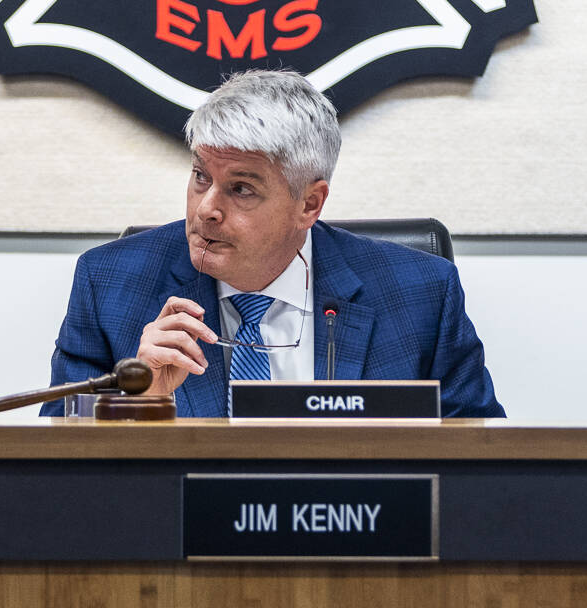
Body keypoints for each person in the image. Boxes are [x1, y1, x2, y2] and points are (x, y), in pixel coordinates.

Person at [47, 69, 504, 418]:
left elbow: (483, 461)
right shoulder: (110, 284)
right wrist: (138, 401)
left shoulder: (420, 292)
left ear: (309, 204)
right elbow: (55, 459)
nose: (206, 208)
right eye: (201, 176)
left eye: (241, 189)